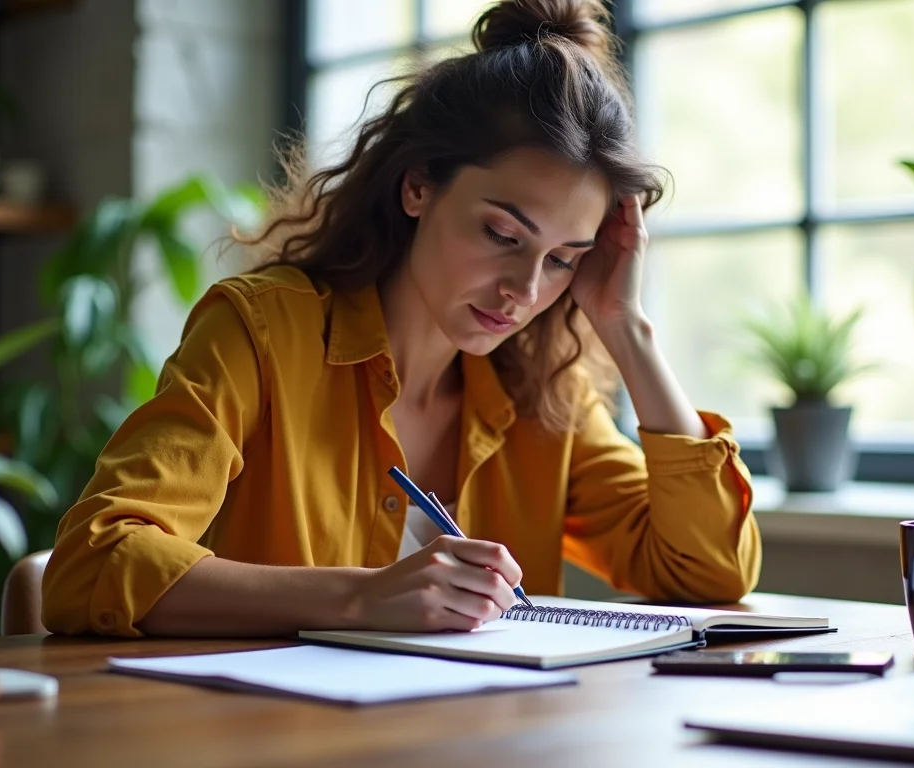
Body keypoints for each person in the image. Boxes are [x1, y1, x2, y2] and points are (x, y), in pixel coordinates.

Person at [41, 0, 762, 638]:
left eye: (563, 259)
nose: (523, 288)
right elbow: (92, 563)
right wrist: (360, 598)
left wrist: (625, 328)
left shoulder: (546, 392)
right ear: (418, 186)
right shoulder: (264, 333)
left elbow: (708, 573)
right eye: (502, 236)